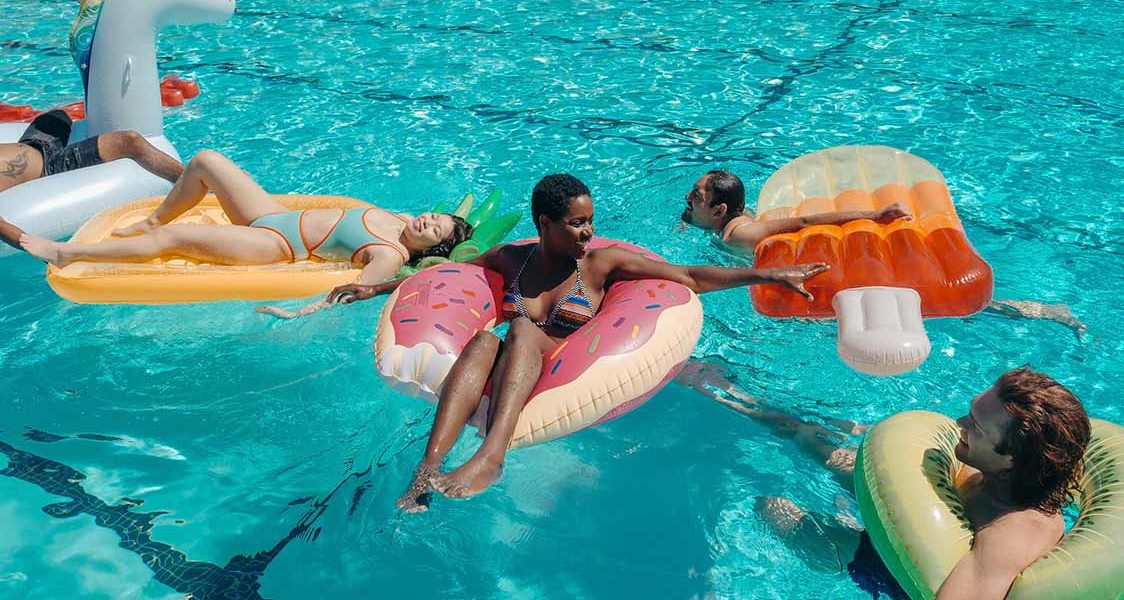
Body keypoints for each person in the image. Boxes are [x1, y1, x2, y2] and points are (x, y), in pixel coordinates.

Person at [330, 173, 831, 512]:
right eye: (576, 223)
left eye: (590, 220)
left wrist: (766, 274)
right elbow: (450, 276)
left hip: (569, 367)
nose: (588, 231)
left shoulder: (600, 264)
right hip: (507, 368)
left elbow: (687, 276)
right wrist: (373, 288)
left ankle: (491, 455)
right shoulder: (510, 259)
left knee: (521, 327)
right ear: (544, 225)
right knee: (483, 343)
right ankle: (427, 469)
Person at [681, 363, 1091, 600]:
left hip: (889, 569)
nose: (959, 425)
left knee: (771, 509)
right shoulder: (998, 471)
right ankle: (732, 396)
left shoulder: (1014, 533)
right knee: (815, 442)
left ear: (1011, 458)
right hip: (928, 511)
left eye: (976, 427)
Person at [680, 170, 1088, 337]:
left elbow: (803, 224)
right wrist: (687, 220)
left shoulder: (739, 234)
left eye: (695, 197)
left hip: (817, 277)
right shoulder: (724, 216)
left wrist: (873, 214)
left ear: (719, 211)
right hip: (815, 268)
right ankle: (1032, 309)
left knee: (930, 301)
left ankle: (1033, 310)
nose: (687, 198)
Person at [11, 150, 472, 287]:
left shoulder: (389, 254)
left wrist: (301, 313)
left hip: (277, 246)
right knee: (206, 161)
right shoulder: (394, 217)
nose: (427, 221)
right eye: (433, 216)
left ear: (429, 248)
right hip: (271, 216)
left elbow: (353, 291)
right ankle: (152, 221)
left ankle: (67, 251)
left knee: (178, 238)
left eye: (434, 229)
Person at [0, 109, 183, 194]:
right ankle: (193, 180)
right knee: (129, 141)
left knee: (57, 115)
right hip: (50, 166)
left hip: (33, 144)